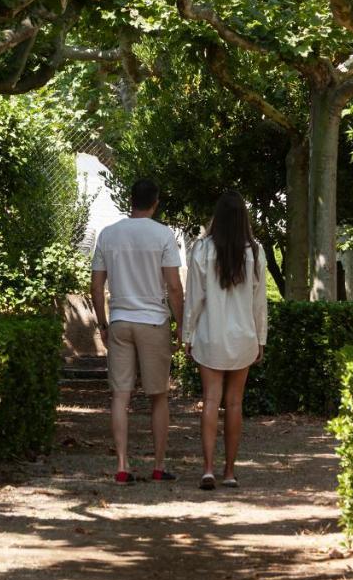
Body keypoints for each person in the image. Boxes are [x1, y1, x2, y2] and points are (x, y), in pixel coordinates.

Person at [91, 178, 184, 484]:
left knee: (120, 396)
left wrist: (103, 323)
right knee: (158, 397)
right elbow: (173, 286)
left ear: (129, 200)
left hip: (119, 319)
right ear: (155, 202)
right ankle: (158, 466)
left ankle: (121, 465)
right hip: (153, 321)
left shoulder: (108, 234)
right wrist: (181, 323)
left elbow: (96, 285)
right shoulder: (163, 235)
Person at [183, 191, 267, 491]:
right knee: (234, 404)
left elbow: (194, 297)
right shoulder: (255, 251)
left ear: (216, 217)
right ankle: (229, 471)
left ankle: (207, 470)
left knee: (210, 401)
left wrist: (187, 335)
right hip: (243, 337)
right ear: (243, 217)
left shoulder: (202, 249)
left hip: (210, 335)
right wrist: (261, 339)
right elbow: (260, 304)